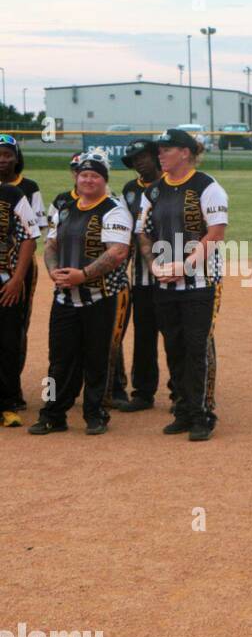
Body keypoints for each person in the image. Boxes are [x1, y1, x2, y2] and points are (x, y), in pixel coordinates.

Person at [29, 152, 131, 436]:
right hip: (64, 299)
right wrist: (53, 271)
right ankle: (52, 414)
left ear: (104, 180)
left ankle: (95, 413)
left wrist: (83, 275)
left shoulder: (114, 209)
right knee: (58, 360)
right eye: (84, 175)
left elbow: (117, 252)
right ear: (76, 177)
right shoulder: (64, 207)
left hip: (99, 298)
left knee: (96, 357)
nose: (88, 180)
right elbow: (51, 245)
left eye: (95, 175)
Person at [137, 127, 229, 442]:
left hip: (201, 284)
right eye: (159, 150)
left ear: (185, 153)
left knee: (197, 347)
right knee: (174, 347)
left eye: (166, 149)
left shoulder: (208, 187)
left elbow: (215, 234)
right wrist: (154, 265)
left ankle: (203, 413)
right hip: (164, 285)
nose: (159, 154)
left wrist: (186, 265)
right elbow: (144, 233)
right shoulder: (155, 191)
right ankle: (183, 409)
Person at [114, 139, 171, 413]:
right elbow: (125, 232)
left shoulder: (173, 185)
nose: (139, 162)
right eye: (134, 159)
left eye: (144, 156)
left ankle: (181, 394)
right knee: (144, 334)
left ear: (156, 157)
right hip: (141, 276)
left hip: (175, 273)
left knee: (175, 334)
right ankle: (143, 392)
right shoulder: (130, 190)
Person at [0, 177, 40, 427]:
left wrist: (16, 280)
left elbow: (29, 237)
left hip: (5, 283)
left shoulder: (11, 194)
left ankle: (8, 403)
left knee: (7, 342)